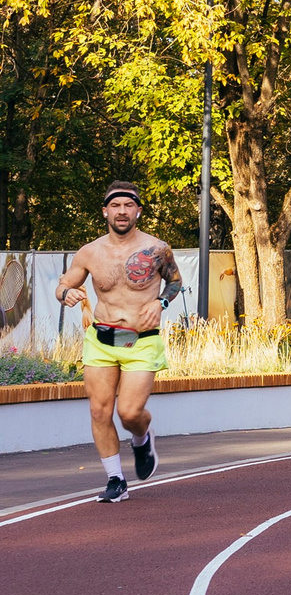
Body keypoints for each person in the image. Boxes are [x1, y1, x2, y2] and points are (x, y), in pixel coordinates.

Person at [58, 182, 184, 503]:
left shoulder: (157, 248)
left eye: (129, 205)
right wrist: (66, 293)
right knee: (100, 412)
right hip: (101, 339)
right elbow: (65, 283)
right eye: (116, 206)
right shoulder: (90, 252)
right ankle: (116, 479)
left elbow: (175, 281)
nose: (123, 211)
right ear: (105, 211)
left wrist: (162, 303)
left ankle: (142, 438)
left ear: (138, 210)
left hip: (141, 341)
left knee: (129, 413)